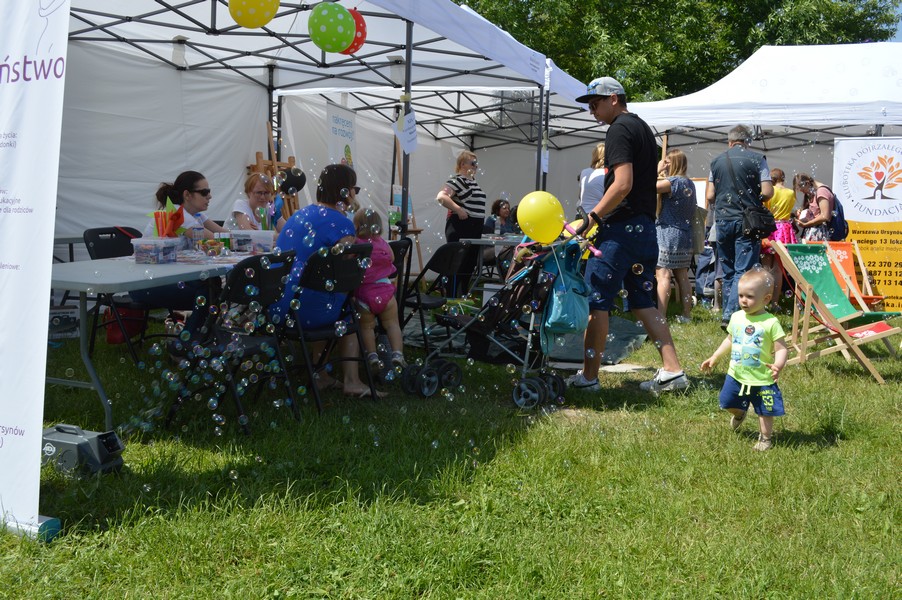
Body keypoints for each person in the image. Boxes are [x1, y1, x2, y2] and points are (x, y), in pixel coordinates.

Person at [566, 76, 688, 394]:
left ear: (614, 99)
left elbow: (623, 184)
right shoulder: (642, 128)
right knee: (643, 302)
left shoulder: (618, 129)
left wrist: (592, 217)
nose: (592, 110)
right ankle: (673, 371)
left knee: (597, 301)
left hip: (620, 231)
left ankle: (588, 378)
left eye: (596, 103)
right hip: (645, 229)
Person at [271, 164, 380, 398]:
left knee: (321, 292)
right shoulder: (343, 224)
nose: (356, 193)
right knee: (349, 307)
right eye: (355, 188)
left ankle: (320, 375)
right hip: (309, 311)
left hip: (280, 305)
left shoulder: (298, 215)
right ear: (345, 191)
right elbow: (345, 275)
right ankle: (352, 381)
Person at [700, 268, 788, 451]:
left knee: (765, 411)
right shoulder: (736, 317)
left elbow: (781, 348)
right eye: (741, 295)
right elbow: (729, 340)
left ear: (766, 299)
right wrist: (715, 356)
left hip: (762, 378)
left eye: (749, 296)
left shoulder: (771, 322)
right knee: (726, 401)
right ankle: (740, 413)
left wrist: (778, 365)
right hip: (736, 374)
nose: (743, 300)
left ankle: (765, 439)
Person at [133, 170, 227, 338]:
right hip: (145, 284)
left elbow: (225, 234)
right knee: (209, 289)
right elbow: (216, 240)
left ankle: (195, 337)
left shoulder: (195, 215)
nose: (210, 196)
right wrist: (249, 240)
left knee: (211, 284)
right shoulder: (178, 215)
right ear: (187, 195)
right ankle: (189, 341)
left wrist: (252, 237)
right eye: (204, 192)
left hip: (165, 277)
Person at [706, 125, 774, 330]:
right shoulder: (758, 159)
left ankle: (729, 312)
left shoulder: (716, 161)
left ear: (729, 142)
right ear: (747, 141)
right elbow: (768, 192)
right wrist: (752, 196)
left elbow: (710, 195)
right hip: (747, 221)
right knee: (743, 270)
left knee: (727, 271)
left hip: (722, 220)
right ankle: (730, 316)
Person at [352, 207, 406, 372]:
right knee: (392, 324)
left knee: (366, 327)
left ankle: (372, 355)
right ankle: (397, 354)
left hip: (364, 294)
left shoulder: (356, 244)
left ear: (357, 226)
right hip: (386, 293)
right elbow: (392, 258)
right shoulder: (382, 242)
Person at [435, 151, 486, 295]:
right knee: (457, 264)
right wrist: (458, 209)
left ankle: (461, 296)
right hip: (462, 226)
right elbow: (441, 196)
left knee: (469, 264)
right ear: (463, 164)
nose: (476, 166)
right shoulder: (457, 180)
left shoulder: (472, 182)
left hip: (474, 227)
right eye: (473, 163)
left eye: (476, 163)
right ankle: (451, 297)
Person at [654, 148, 696, 324]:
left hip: (667, 233)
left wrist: (657, 170)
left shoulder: (672, 182)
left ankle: (660, 317)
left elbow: (647, 187)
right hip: (685, 233)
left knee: (663, 275)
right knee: (682, 276)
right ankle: (686, 315)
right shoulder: (689, 183)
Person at [761, 168, 797, 305]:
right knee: (778, 269)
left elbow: (764, 208)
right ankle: (775, 302)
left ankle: (764, 299)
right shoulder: (791, 193)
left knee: (765, 266)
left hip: (770, 228)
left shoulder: (769, 192)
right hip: (784, 230)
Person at [792, 173, 834, 242]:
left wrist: (806, 224)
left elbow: (825, 216)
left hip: (820, 234)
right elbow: (815, 212)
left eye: (802, 190)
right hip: (814, 233)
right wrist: (802, 213)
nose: (803, 193)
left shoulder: (822, 191)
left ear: (807, 183)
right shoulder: (814, 192)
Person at [578, 143, 606, 218]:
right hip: (598, 215)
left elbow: (580, 196)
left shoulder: (584, 172)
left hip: (582, 214)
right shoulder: (607, 173)